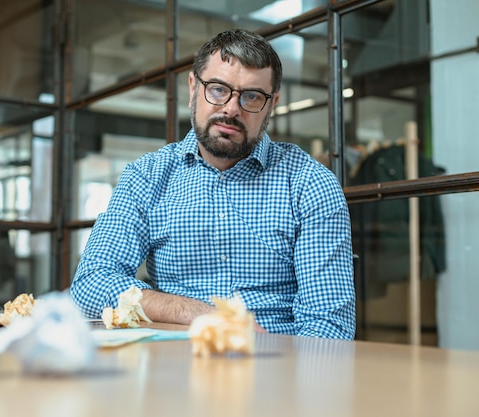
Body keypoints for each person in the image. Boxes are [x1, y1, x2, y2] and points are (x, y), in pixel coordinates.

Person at [71, 28, 355, 339]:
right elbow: (91, 285)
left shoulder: (310, 184)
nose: (232, 109)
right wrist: (202, 313)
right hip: (170, 368)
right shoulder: (147, 177)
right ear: (193, 87)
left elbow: (330, 328)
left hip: (273, 367)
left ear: (271, 104)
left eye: (251, 96)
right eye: (218, 89)